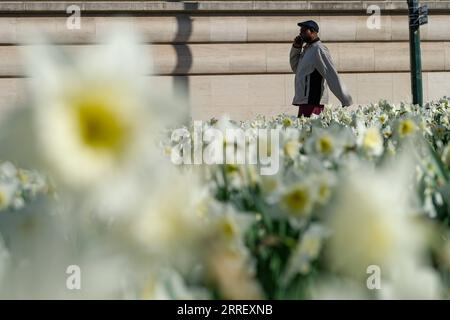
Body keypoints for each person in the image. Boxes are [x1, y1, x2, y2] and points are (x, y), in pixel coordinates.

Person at [290, 20, 353, 118]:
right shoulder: (307, 49)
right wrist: (296, 48)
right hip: (305, 102)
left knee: (311, 132)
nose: (300, 34)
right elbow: (296, 69)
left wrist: (345, 99)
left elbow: (331, 74)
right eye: (300, 31)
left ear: (312, 31)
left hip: (313, 103)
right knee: (303, 132)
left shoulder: (319, 49)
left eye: (303, 31)